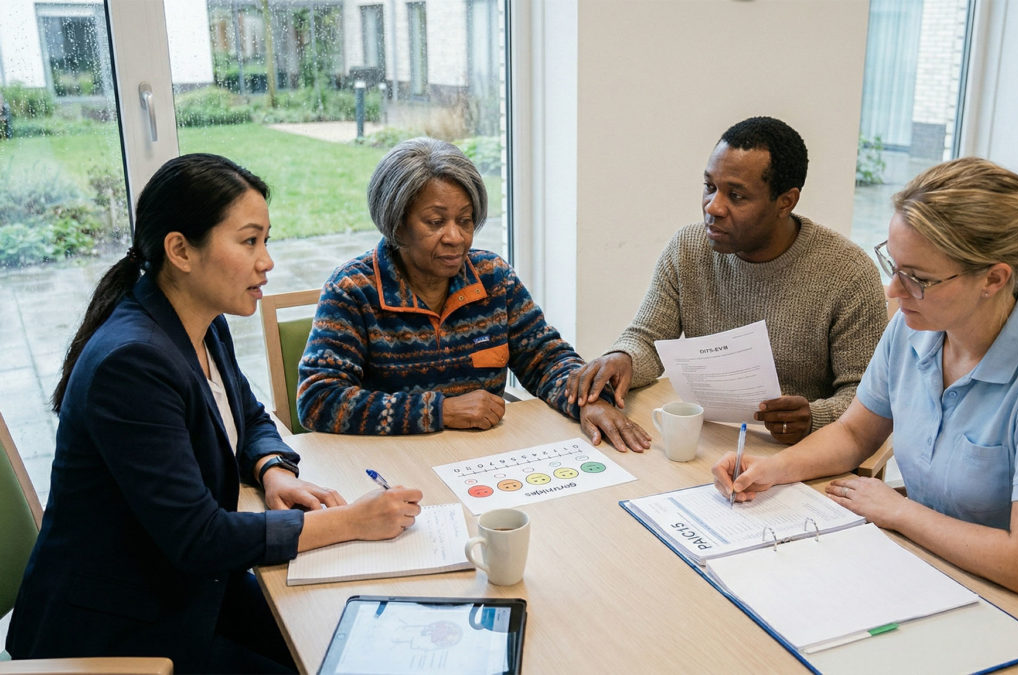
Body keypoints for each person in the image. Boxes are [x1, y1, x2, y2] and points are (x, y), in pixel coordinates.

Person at [5, 154, 423, 673]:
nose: (266, 260)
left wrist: (271, 470)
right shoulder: (131, 363)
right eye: (249, 241)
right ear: (180, 249)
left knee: (346, 646)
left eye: (266, 240)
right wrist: (349, 522)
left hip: (186, 590)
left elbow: (249, 415)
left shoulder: (200, 321)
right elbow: (200, 539)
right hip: (117, 631)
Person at [714, 157, 1018, 599]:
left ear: (994, 278)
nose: (894, 291)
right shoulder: (912, 329)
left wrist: (899, 511)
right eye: (895, 265)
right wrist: (773, 470)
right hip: (933, 568)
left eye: (918, 278)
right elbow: (853, 433)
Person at [297, 137, 649, 452]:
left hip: (483, 457)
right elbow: (318, 400)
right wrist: (440, 411)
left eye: (465, 221)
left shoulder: (492, 277)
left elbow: (546, 359)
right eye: (435, 222)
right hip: (395, 464)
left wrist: (588, 401)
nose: (456, 237)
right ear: (397, 222)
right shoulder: (352, 291)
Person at [567, 116, 887, 444]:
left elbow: (869, 394)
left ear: (786, 202)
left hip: (805, 452)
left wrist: (815, 417)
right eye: (710, 187)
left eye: (736, 196)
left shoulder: (848, 274)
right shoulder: (687, 249)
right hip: (712, 441)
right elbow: (648, 338)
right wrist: (624, 358)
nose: (713, 206)